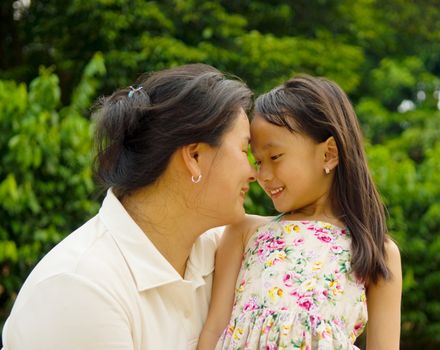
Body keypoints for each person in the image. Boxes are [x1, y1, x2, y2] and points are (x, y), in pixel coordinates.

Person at [2, 63, 256, 350]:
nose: (254, 172)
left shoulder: (216, 251)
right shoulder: (81, 288)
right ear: (194, 156)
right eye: (244, 150)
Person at [198, 75, 402, 349]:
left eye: (275, 157)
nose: (263, 175)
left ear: (329, 154)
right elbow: (214, 330)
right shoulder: (244, 232)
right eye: (258, 161)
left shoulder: (377, 250)